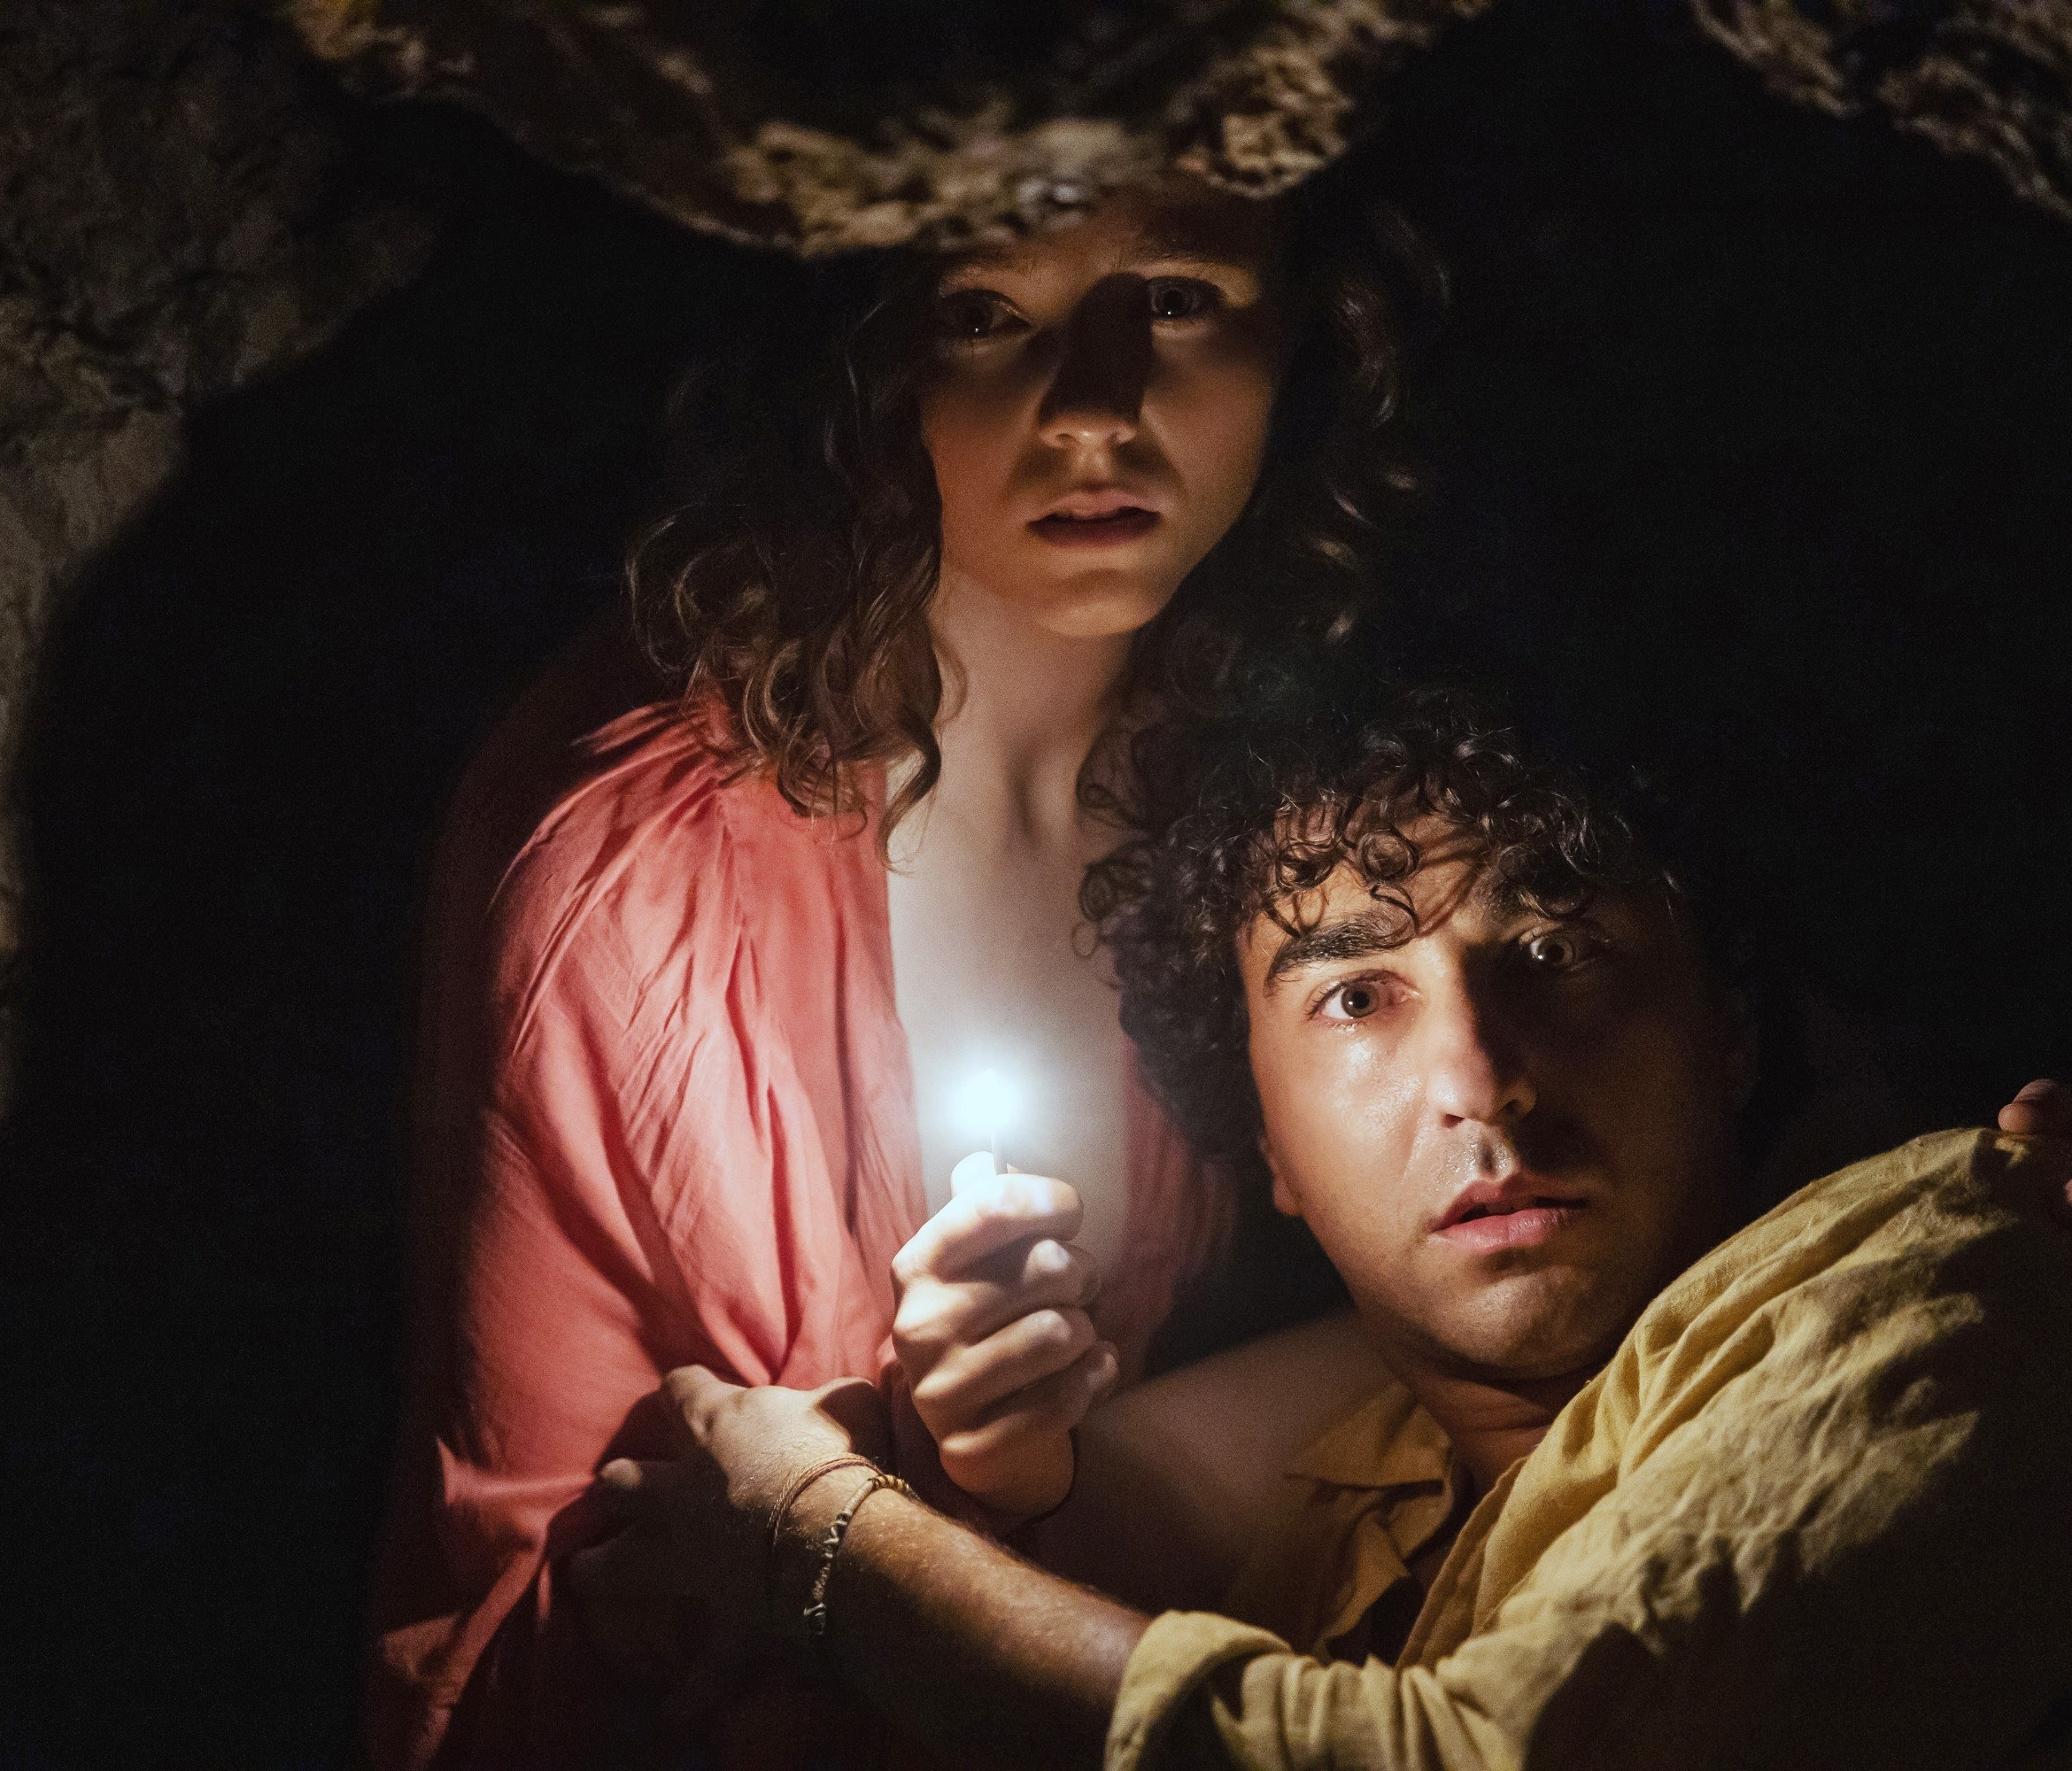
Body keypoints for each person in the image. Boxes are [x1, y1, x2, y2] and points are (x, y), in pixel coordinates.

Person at [584, 680, 2072, 1768]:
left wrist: (822, 1531)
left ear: (1724, 1026)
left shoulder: (1961, 1260)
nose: (1483, 1078)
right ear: (1264, 1144)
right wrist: (944, 1472)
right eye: (1357, 999)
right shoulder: (1371, 1493)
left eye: (1556, 954)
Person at [367, 173, 1444, 1769]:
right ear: (862, 368)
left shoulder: (1261, 792)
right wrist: (892, 1499)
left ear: (1305, 328)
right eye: (986, 316)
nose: (1097, 412)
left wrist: (986, 1489)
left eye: (1175, 298)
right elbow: (540, 1593)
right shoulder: (635, 865)